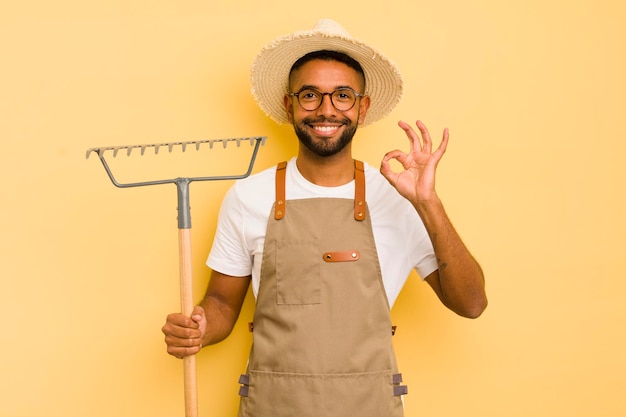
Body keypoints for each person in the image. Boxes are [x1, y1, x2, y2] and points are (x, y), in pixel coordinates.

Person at [162, 19, 487, 417]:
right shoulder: (249, 197)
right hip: (273, 408)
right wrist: (198, 328)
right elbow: (222, 305)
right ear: (290, 105)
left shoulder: (399, 199)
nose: (326, 109)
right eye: (311, 95)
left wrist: (428, 203)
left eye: (343, 96)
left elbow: (471, 304)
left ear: (362, 108)